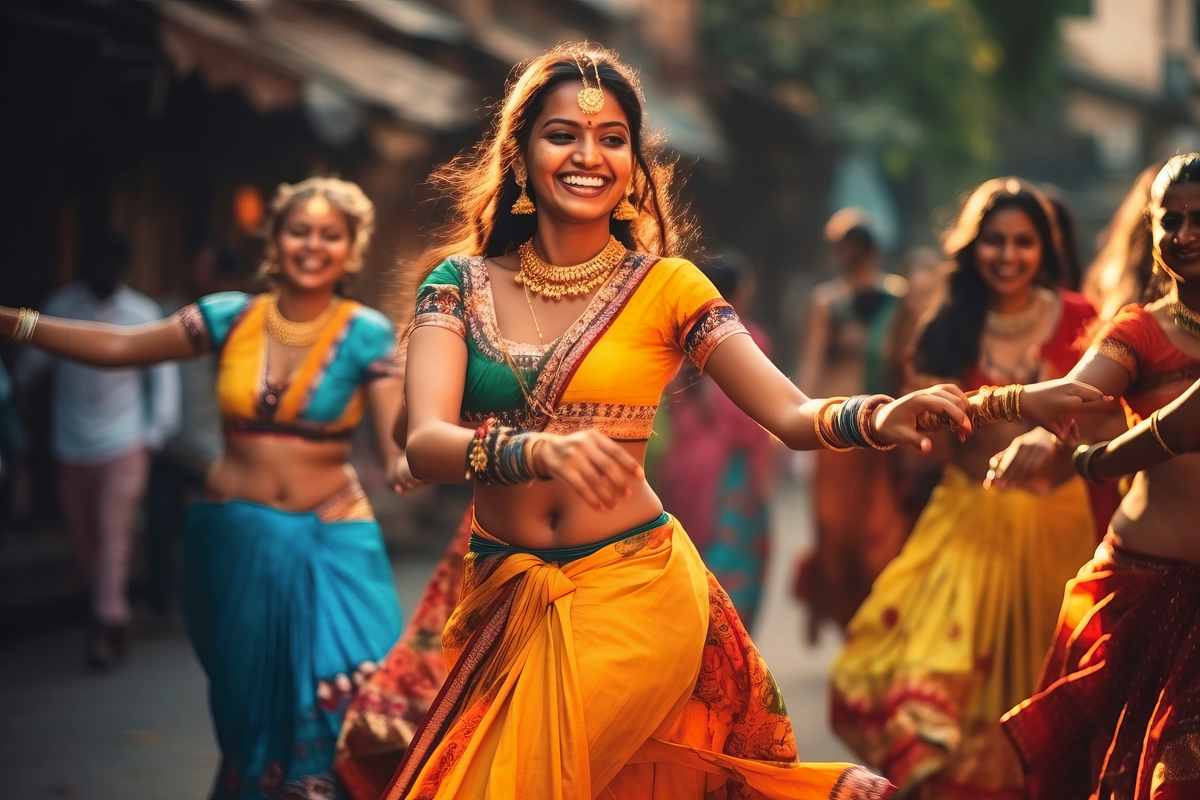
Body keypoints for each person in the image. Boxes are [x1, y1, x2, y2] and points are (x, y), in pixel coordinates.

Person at [384, 42, 1097, 800]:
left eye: (612, 138)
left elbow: (791, 413)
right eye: (563, 134)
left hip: (635, 590)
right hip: (506, 598)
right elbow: (425, 441)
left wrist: (889, 414)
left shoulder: (667, 287)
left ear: (633, 166)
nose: (588, 155)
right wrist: (534, 454)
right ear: (521, 156)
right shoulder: (458, 283)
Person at [1, 177, 405, 799]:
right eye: (299, 231)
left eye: (331, 235)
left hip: (335, 537)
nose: (312, 245)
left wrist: (428, 461)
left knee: (349, 696)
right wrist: (14, 322)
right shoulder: (229, 317)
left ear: (351, 251)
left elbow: (399, 444)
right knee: (248, 714)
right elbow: (121, 346)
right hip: (234, 537)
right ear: (274, 240)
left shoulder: (367, 333)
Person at [828, 178, 1101, 799]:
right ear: (972, 247)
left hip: (1057, 529)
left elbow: (1104, 415)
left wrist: (1039, 428)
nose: (1007, 255)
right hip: (968, 517)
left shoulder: (1081, 318)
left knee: (1042, 701)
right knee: (896, 678)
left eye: (1023, 242)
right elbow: (934, 433)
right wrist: (1021, 399)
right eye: (994, 241)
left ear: (1044, 247)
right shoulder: (946, 327)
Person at [994, 154, 1200, 800]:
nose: (1186, 235)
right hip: (1145, 586)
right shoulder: (1140, 331)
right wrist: (1037, 432)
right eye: (1172, 220)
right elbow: (1076, 394)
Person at [14, 231, 180, 670]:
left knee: (112, 534)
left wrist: (153, 434)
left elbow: (162, 377)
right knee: (82, 537)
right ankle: (107, 608)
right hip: (70, 444)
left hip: (124, 442)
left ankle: (106, 621)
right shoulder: (60, 308)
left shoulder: (142, 313)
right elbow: (31, 364)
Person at [792, 208, 913, 640]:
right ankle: (848, 619)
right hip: (836, 429)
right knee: (837, 526)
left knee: (878, 524)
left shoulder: (898, 300)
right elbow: (811, 364)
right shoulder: (828, 302)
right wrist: (794, 421)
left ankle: (877, 615)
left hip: (882, 427)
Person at [655, 252, 775, 627]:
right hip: (728, 471)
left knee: (688, 561)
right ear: (737, 294)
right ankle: (725, 649)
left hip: (681, 467)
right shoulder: (747, 339)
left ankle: (690, 644)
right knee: (731, 565)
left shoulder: (676, 341)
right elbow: (752, 417)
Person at [145, 238, 242, 615]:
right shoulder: (166, 315)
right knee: (159, 526)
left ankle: (207, 601)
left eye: (209, 270)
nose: (200, 276)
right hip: (167, 444)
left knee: (209, 532)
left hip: (210, 449)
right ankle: (162, 601)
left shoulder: (235, 324)